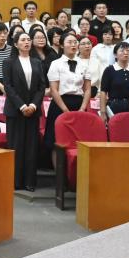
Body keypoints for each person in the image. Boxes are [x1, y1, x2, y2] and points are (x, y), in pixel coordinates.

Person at [3, 32, 45, 192]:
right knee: (16, 145)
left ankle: (29, 181)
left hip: (33, 110)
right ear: (15, 44)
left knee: (31, 146)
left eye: (28, 39)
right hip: (15, 110)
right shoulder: (9, 62)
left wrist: (33, 105)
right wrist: (22, 106)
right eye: (23, 40)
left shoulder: (37, 62)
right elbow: (8, 86)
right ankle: (16, 181)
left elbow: (41, 86)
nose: (27, 42)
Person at [44, 32, 92, 161]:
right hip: (60, 104)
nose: (73, 45)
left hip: (79, 104)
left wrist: (82, 108)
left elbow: (87, 89)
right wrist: (65, 110)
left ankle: (78, 171)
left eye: (75, 42)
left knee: (79, 140)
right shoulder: (56, 64)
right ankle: (58, 172)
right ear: (62, 45)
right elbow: (54, 90)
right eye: (69, 42)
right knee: (57, 141)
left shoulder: (84, 64)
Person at [98, 42, 129, 118]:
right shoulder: (109, 70)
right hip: (114, 107)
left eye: (128, 50)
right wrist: (103, 112)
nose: (125, 53)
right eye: (122, 50)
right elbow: (103, 91)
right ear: (115, 55)